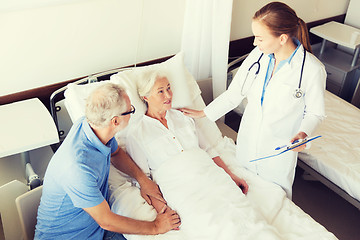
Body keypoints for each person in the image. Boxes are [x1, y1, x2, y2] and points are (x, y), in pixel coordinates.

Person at [181, 1, 326, 199]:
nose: (254, 43)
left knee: (274, 202)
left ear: (282, 38)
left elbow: (315, 113)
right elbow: (235, 93)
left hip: (277, 154)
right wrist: (203, 113)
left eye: (259, 38)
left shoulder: (311, 69)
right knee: (243, 195)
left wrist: (303, 133)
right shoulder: (258, 56)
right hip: (247, 144)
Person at [120, 71, 287, 240]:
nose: (169, 95)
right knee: (210, 224)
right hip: (180, 187)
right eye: (161, 91)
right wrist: (163, 209)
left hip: (211, 176)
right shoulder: (137, 132)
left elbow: (208, 150)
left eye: (169, 88)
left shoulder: (183, 117)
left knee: (244, 215)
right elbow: (143, 179)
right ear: (145, 96)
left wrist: (230, 176)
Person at [35, 83, 181, 240]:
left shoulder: (93, 127)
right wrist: (156, 227)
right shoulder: (78, 168)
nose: (132, 113)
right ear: (115, 121)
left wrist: (143, 180)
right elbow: (106, 221)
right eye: (130, 110)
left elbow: (116, 153)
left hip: (95, 228)